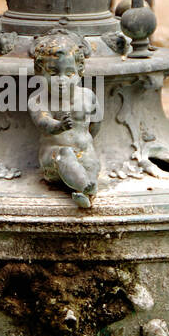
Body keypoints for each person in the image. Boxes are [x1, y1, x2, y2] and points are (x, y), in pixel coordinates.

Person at [29, 32, 100, 207]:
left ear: (79, 72)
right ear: (39, 73)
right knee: (65, 154)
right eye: (53, 73)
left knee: (91, 160)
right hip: (54, 157)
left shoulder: (88, 96)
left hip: (83, 153)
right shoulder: (38, 100)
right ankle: (85, 187)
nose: (61, 80)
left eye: (69, 74)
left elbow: (96, 124)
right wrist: (60, 126)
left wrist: (86, 142)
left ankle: (86, 191)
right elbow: (43, 123)